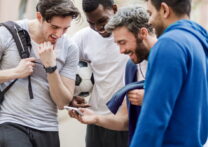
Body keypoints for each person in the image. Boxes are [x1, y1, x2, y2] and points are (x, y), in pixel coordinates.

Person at [70, 5, 157, 145]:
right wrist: (96, 118)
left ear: (143, 33)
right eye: (117, 44)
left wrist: (150, 97)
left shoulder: (166, 56)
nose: (121, 51)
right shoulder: (131, 66)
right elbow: (124, 120)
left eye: (122, 43)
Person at [0, 0, 80, 147]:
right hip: (10, 122)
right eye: (54, 27)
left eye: (65, 29)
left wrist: (51, 67)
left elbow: (62, 103)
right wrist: (15, 72)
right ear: (39, 17)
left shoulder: (70, 47)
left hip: (48, 127)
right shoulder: (7, 33)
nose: (59, 34)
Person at [130, 0, 208, 147]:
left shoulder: (169, 43)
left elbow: (154, 117)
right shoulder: (198, 41)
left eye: (150, 13)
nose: (149, 21)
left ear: (164, 10)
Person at [69, 0, 129, 147]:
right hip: (96, 121)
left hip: (126, 122)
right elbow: (64, 68)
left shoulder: (132, 34)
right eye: (91, 23)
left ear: (114, 9)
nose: (98, 27)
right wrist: (70, 96)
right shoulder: (83, 37)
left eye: (102, 20)